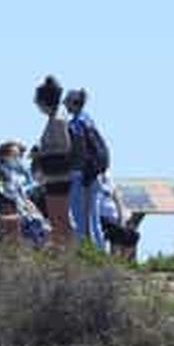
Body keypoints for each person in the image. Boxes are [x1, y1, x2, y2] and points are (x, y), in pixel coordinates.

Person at [33, 76, 74, 248]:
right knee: (56, 218)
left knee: (59, 218)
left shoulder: (57, 120)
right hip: (54, 176)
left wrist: (41, 153)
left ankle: (68, 253)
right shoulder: (56, 117)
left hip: (59, 176)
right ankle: (63, 250)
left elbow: (64, 147)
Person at [64, 88, 108, 248]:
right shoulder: (88, 120)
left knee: (81, 219)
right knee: (93, 219)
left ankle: (86, 253)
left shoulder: (77, 124)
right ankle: (99, 253)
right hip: (92, 175)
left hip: (81, 176)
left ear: (74, 103)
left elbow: (77, 151)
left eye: (67, 101)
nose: (64, 104)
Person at [98, 173, 140, 260]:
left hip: (115, 217)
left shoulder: (108, 177)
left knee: (132, 235)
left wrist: (121, 217)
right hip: (102, 217)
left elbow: (116, 196)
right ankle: (114, 261)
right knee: (117, 233)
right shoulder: (94, 179)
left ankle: (123, 261)